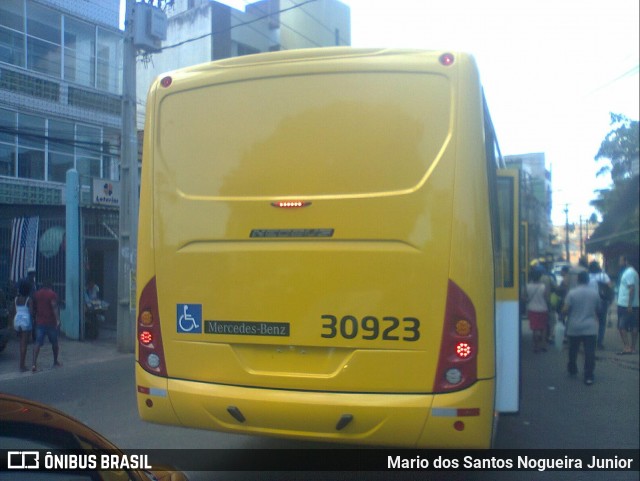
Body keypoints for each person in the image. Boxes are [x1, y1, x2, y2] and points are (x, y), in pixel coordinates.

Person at [562, 271, 601, 385]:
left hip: (574, 327)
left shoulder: (572, 293)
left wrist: (562, 317)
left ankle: (572, 368)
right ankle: (588, 375)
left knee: (573, 350)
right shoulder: (594, 293)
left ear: (578, 280)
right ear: (588, 280)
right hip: (590, 327)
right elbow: (598, 309)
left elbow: (565, 309)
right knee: (589, 352)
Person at [32, 279, 61, 371]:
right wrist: (58, 320)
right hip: (51, 322)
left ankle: (34, 364)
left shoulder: (37, 294)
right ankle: (55, 361)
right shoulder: (52, 294)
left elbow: (34, 307)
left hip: (40, 322)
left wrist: (35, 317)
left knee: (38, 343)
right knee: (54, 343)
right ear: (50, 285)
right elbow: (54, 307)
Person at [616, 255, 639, 355]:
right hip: (635, 304)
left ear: (626, 261)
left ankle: (627, 347)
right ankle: (633, 347)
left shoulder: (628, 273)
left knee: (622, 326)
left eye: (620, 260)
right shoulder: (634, 272)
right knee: (634, 326)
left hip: (625, 304)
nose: (619, 262)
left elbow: (631, 289)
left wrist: (629, 304)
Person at [588, 260, 612, 350]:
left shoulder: (587, 276)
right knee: (602, 323)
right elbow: (610, 286)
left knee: (592, 321)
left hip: (590, 301)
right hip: (602, 300)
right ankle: (600, 342)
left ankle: (591, 340)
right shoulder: (603, 275)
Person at [525, 268, 549, 353]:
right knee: (543, 328)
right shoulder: (543, 287)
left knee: (535, 329)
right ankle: (543, 346)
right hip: (543, 309)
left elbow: (525, 297)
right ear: (539, 277)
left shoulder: (527, 286)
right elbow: (546, 298)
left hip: (532, 309)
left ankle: (535, 347)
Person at [11, 280, 33, 372]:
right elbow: (31, 313)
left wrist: (12, 324)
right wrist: (32, 325)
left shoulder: (16, 299)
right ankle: (22, 365)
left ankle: (22, 364)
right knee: (24, 344)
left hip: (17, 320)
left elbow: (12, 312)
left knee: (21, 343)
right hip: (25, 320)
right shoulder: (29, 299)